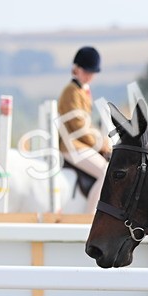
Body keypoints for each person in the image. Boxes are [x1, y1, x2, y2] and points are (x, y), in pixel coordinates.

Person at [57, 46, 110, 212]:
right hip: (72, 145)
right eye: (86, 71)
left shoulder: (82, 89)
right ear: (76, 69)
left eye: (92, 72)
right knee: (105, 172)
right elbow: (78, 125)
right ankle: (90, 216)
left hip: (80, 143)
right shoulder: (71, 91)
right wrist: (101, 145)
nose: (89, 75)